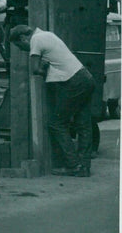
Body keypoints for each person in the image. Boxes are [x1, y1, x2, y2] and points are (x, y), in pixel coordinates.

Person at [8, 24, 94, 177]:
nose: (21, 49)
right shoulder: (48, 35)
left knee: (57, 123)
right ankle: (84, 166)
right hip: (86, 77)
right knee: (83, 124)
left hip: (74, 81)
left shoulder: (35, 40)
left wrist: (42, 68)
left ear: (22, 38)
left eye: (19, 45)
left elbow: (35, 70)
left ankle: (73, 165)